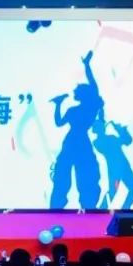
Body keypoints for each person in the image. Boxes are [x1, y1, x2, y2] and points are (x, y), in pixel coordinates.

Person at [49, 51, 104, 210]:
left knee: (77, 176)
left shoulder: (85, 108)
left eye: (77, 91)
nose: (74, 92)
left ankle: (79, 206)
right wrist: (58, 104)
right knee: (72, 176)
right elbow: (59, 123)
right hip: (78, 143)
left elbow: (58, 122)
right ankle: (63, 206)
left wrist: (58, 104)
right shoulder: (87, 109)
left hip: (74, 142)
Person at [93, 112, 133, 210]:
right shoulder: (98, 142)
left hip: (123, 168)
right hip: (115, 171)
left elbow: (128, 141)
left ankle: (125, 209)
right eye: (100, 127)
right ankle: (101, 209)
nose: (103, 127)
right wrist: (120, 130)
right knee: (113, 192)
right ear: (97, 129)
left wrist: (121, 130)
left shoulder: (109, 138)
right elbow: (126, 141)